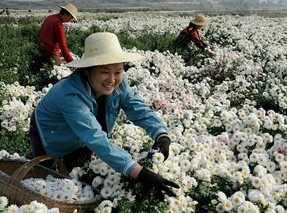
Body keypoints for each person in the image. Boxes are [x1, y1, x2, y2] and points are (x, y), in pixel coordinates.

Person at [29, 32, 179, 197]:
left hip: (84, 136)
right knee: (49, 180)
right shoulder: (70, 94)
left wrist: (161, 135)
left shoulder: (120, 83)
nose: (112, 79)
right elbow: (94, 137)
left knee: (80, 175)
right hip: (53, 132)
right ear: (87, 71)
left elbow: (138, 108)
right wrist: (139, 172)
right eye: (104, 72)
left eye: (118, 71)